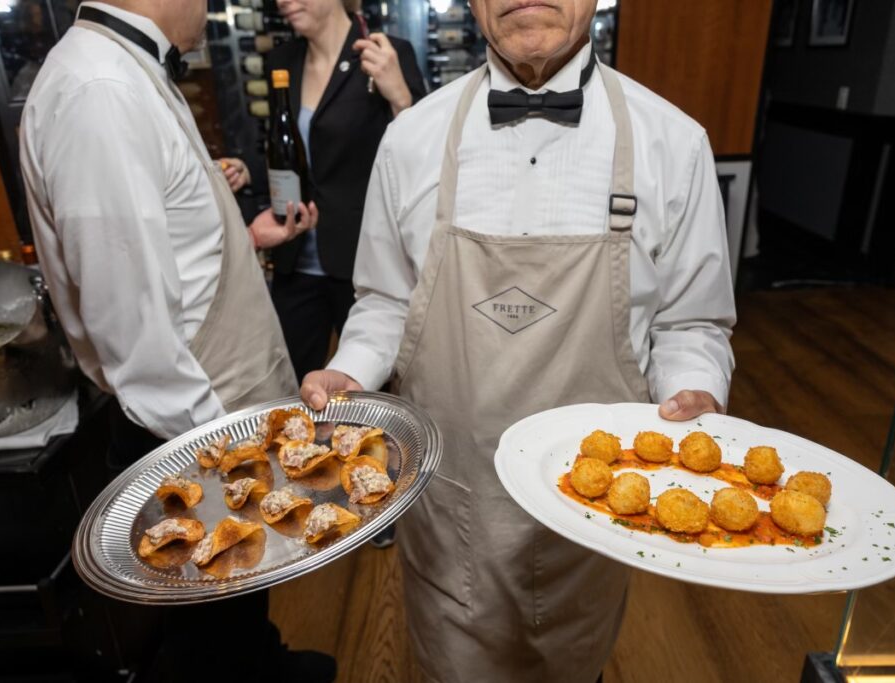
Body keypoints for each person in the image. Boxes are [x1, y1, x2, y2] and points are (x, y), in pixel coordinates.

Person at [300, 0, 736, 678]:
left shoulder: (672, 142)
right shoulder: (411, 137)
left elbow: (690, 322)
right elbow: (385, 299)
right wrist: (352, 370)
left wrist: (693, 390)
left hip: (595, 515)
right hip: (450, 504)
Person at [19, 1, 330, 680]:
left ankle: (263, 660)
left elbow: (162, 254)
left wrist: (239, 234)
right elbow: (131, 329)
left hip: (210, 417)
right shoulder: (99, 90)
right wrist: (223, 463)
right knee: (205, 622)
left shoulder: (124, 70)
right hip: (189, 431)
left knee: (238, 598)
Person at [266, 0, 426, 383]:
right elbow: (280, 147)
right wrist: (246, 169)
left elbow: (424, 152)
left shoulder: (385, 52)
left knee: (373, 383)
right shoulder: (281, 60)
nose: (282, 2)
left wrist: (401, 97)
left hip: (362, 261)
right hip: (294, 255)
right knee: (292, 383)